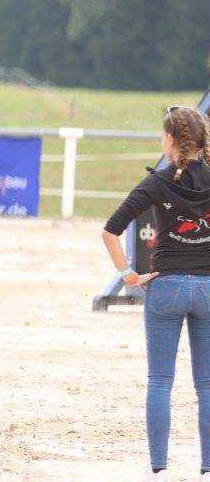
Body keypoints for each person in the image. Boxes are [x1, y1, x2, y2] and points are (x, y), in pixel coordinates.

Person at [103, 106, 210, 478]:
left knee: (160, 381)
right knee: (207, 384)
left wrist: (129, 276)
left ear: (170, 140)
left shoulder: (157, 182)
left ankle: (159, 467)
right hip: (208, 287)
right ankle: (208, 466)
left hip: (165, 285)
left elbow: (110, 230)